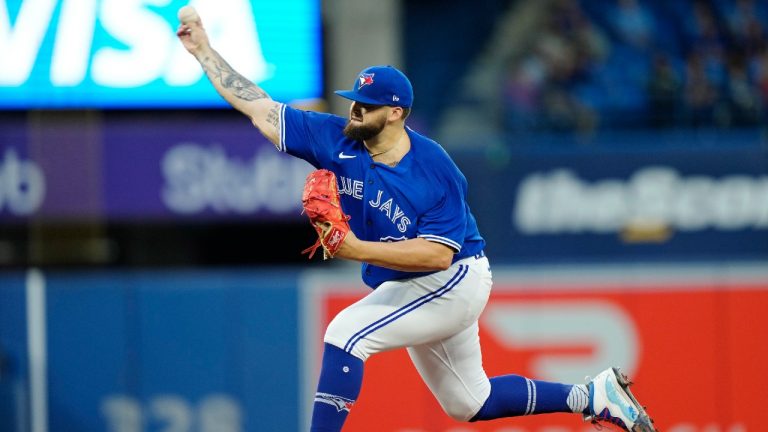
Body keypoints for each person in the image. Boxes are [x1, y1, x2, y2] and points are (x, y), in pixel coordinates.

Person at [176, 14, 656, 432]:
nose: (354, 110)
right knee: (469, 402)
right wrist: (205, 51)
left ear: (396, 113)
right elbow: (258, 107)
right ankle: (591, 396)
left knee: (346, 331)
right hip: (413, 283)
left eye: (366, 105)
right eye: (353, 100)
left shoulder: (434, 168)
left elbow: (437, 254)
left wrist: (354, 248)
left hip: (454, 278)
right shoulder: (336, 139)